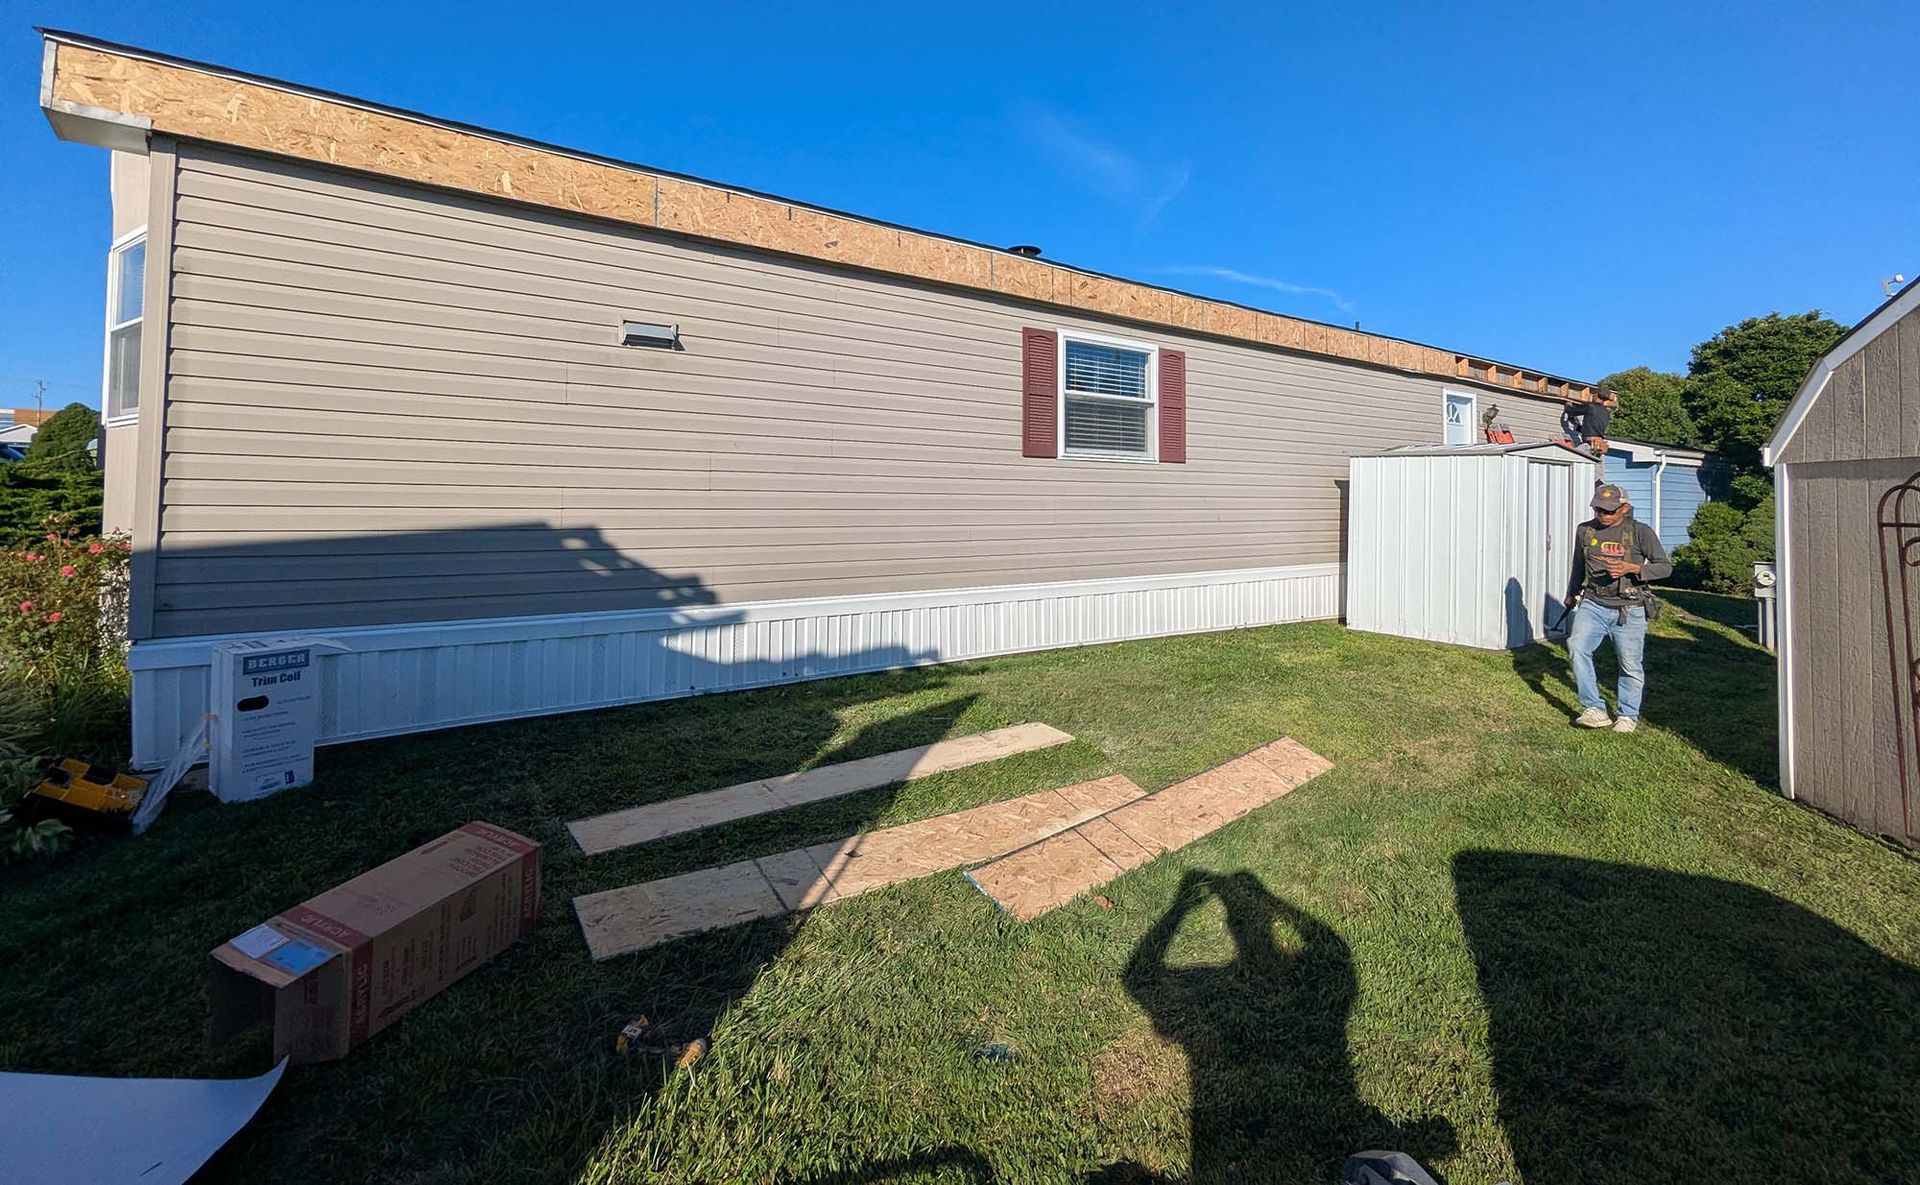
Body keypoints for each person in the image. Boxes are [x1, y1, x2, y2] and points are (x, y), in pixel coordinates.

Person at [1563, 483, 1671, 732]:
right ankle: (1594, 708)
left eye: (1609, 511)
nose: (1602, 514)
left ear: (1625, 508)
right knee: (1577, 648)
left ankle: (1627, 714)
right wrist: (1571, 592)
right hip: (1593, 603)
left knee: (1629, 663)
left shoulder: (1640, 532)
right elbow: (1578, 565)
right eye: (1598, 509)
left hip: (1629, 608)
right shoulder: (1585, 530)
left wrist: (1633, 569)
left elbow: (1665, 567)